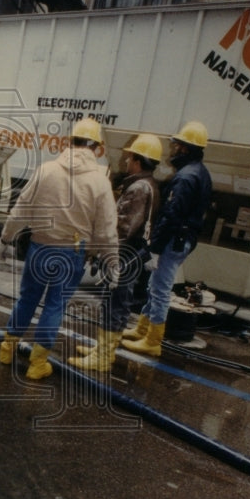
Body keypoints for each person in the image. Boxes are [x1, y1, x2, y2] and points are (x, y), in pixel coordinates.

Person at [0, 118, 119, 380]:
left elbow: (21, 208)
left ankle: (7, 348)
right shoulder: (100, 181)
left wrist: (5, 239)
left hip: (39, 247)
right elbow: (106, 230)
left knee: (27, 299)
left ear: (69, 142)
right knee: (54, 305)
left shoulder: (46, 170)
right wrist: (111, 262)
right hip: (71, 252)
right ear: (97, 148)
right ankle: (37, 364)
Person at [68, 133, 162, 372]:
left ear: (139, 161)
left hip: (122, 254)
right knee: (116, 302)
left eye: (130, 158)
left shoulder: (139, 188)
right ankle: (102, 349)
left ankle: (103, 356)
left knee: (115, 303)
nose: (126, 162)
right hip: (130, 254)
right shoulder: (148, 184)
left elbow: (123, 227)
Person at [121, 121, 212, 357]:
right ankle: (143, 329)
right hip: (182, 239)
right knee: (154, 285)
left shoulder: (185, 178)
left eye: (177, 145)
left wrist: (155, 248)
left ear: (185, 149)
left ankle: (152, 340)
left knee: (160, 288)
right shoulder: (199, 172)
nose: (173, 149)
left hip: (174, 239)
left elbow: (172, 215)